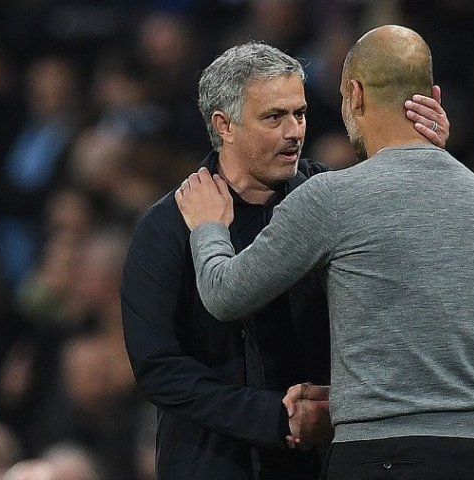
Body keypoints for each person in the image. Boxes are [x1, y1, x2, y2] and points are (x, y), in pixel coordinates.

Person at [176, 25, 474, 479]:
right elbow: (443, 347)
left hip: (381, 458)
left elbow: (225, 294)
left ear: (354, 95)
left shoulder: (334, 199)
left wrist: (207, 228)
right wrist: (347, 396)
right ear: (431, 95)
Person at [120, 41, 448, 480]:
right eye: (274, 117)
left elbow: (409, 257)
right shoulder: (168, 226)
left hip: (331, 461)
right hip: (215, 464)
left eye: (300, 113)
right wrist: (274, 418)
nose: (294, 131)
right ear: (225, 126)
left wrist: (426, 161)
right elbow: (158, 367)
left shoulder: (333, 199)